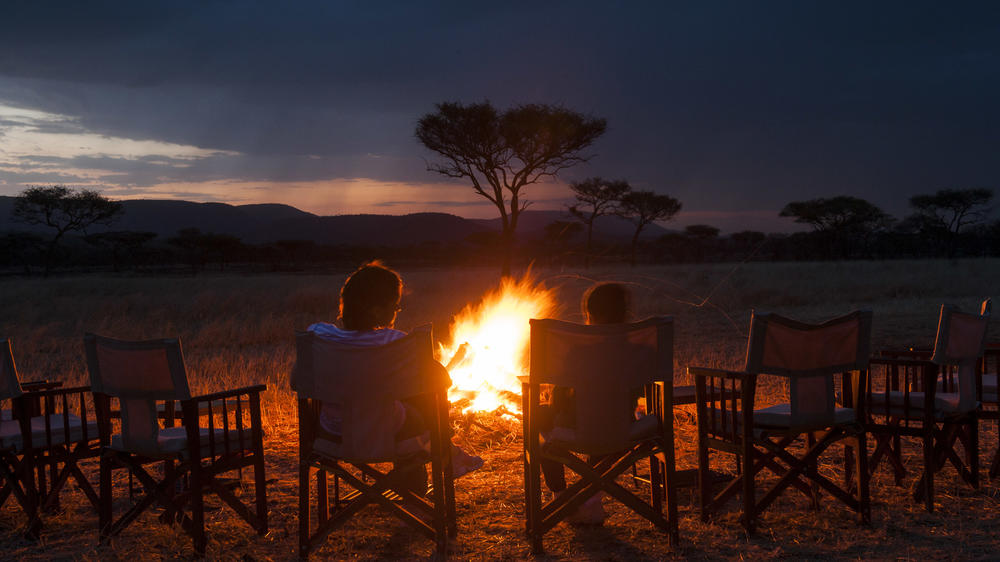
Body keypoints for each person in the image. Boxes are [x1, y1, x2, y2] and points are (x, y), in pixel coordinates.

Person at [308, 260, 483, 494]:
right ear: (377, 311)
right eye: (395, 306)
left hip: (331, 435)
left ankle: (421, 476)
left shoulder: (319, 335)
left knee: (404, 400)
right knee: (425, 397)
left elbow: (296, 381)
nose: (397, 312)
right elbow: (442, 380)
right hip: (387, 432)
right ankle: (447, 457)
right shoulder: (394, 342)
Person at [537, 282, 631, 525]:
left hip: (580, 425)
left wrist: (557, 408)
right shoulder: (637, 346)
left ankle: (559, 495)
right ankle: (590, 500)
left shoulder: (577, 351)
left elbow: (559, 398)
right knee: (600, 429)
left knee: (538, 415)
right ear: (624, 312)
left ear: (590, 314)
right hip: (625, 427)